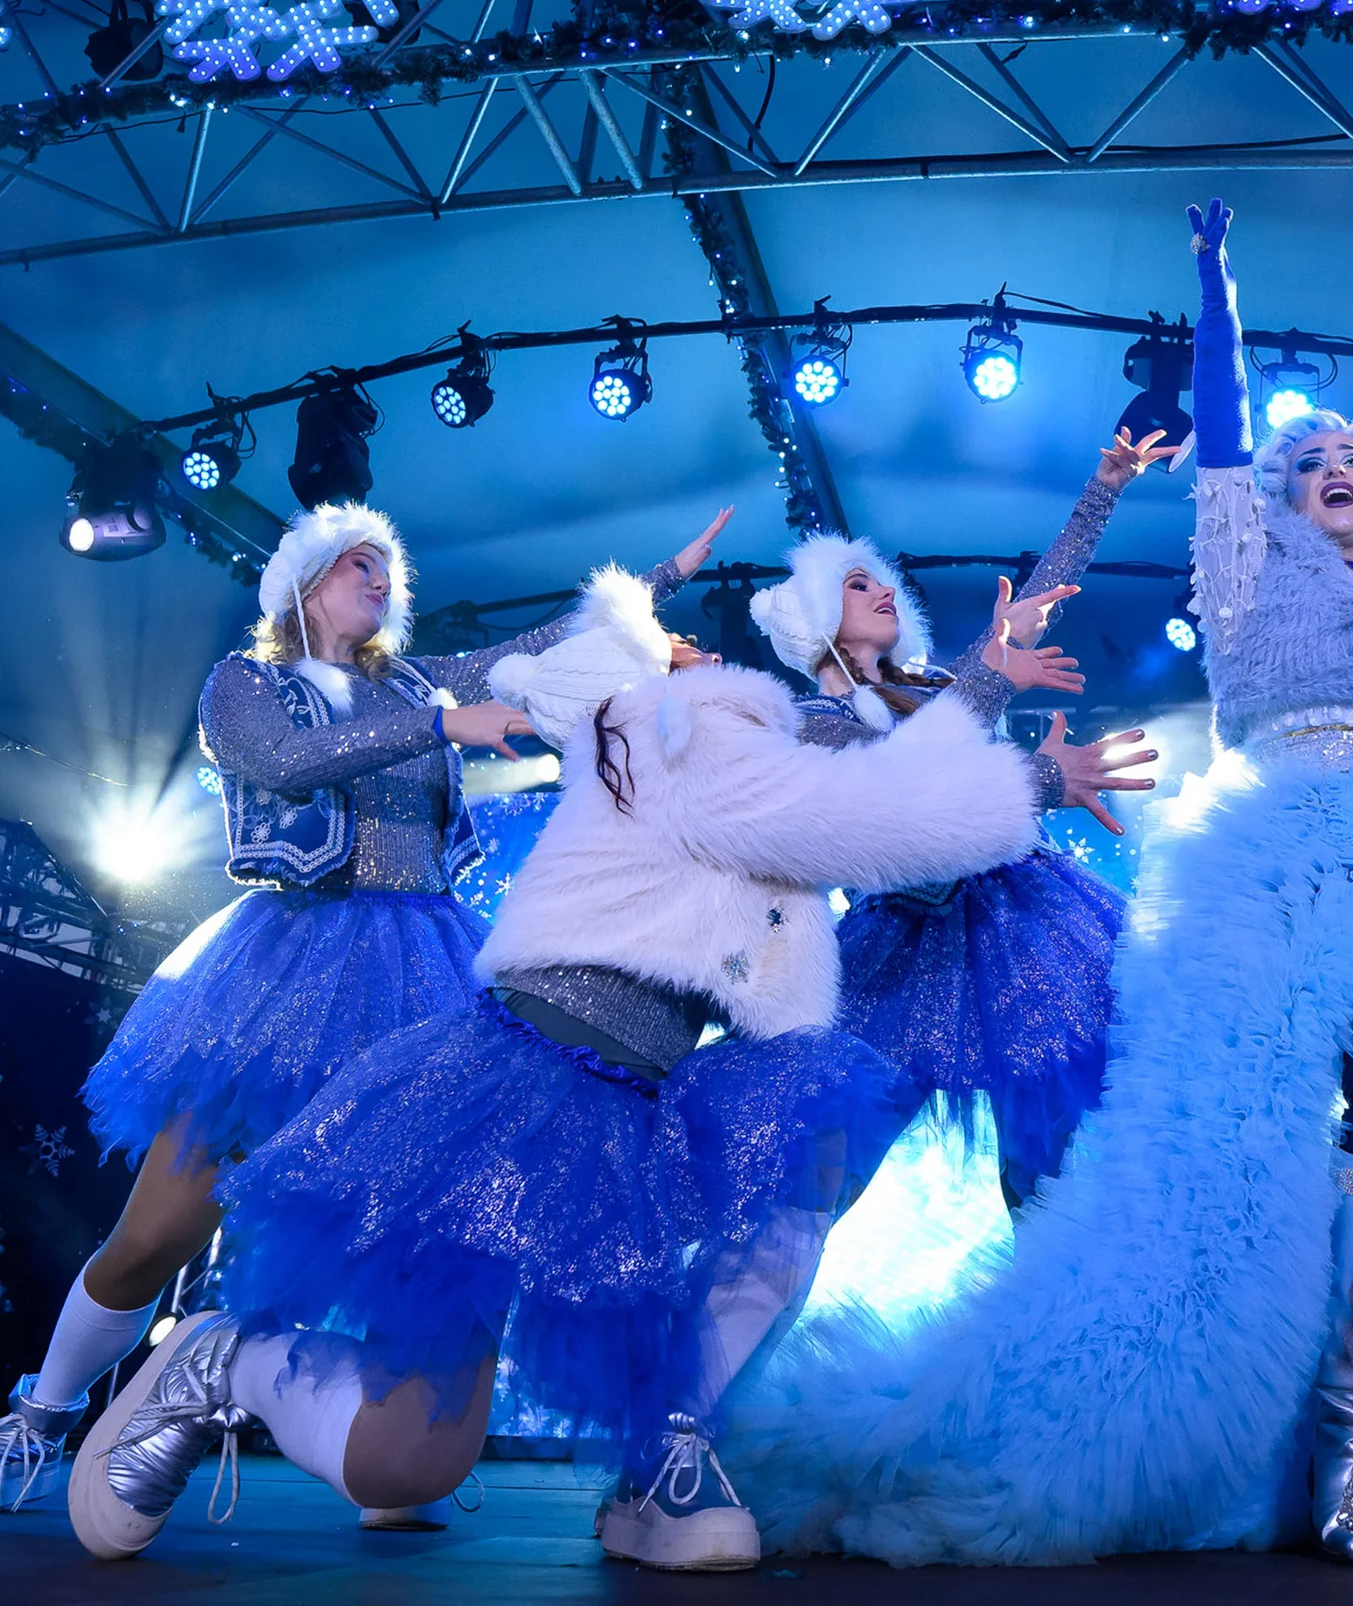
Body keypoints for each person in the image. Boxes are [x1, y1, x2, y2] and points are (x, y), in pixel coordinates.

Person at [723, 196, 1353, 1567]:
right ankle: (1346, 1441)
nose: (1338, 467)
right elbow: (1231, 438)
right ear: (1285, 497)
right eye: (1316, 462)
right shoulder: (1249, 571)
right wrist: (1215, 283)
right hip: (1304, 861)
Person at [62, 568, 1083, 1574]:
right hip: (518, 1087)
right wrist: (1022, 750)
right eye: (677, 644)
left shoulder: (760, 740)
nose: (700, 647)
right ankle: (220, 1357)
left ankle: (664, 1459)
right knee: (406, 1458)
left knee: (798, 1151)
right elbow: (882, 812)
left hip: (631, 1104)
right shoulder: (676, 733)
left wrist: (983, 679)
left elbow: (877, 766)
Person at [0, 501, 724, 1518]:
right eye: (356, 563)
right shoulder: (246, 683)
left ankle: (392, 1432)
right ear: (301, 584)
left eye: (387, 567)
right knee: (156, 1233)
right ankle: (42, 1409)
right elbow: (280, 761)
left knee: (417, 1223)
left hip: (430, 974)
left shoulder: (421, 679)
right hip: (287, 979)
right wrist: (439, 725)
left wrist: (654, 589)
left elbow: (544, 645)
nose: (379, 578)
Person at [747, 431, 1170, 1204]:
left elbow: (1042, 596)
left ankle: (1055, 1277)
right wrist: (1035, 768)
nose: (883, 590)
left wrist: (1104, 488)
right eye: (855, 585)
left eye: (882, 582)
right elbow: (901, 801)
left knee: (1048, 1168)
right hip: (900, 947)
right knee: (824, 1169)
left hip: (1024, 920)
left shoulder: (937, 686)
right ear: (817, 618)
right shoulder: (809, 725)